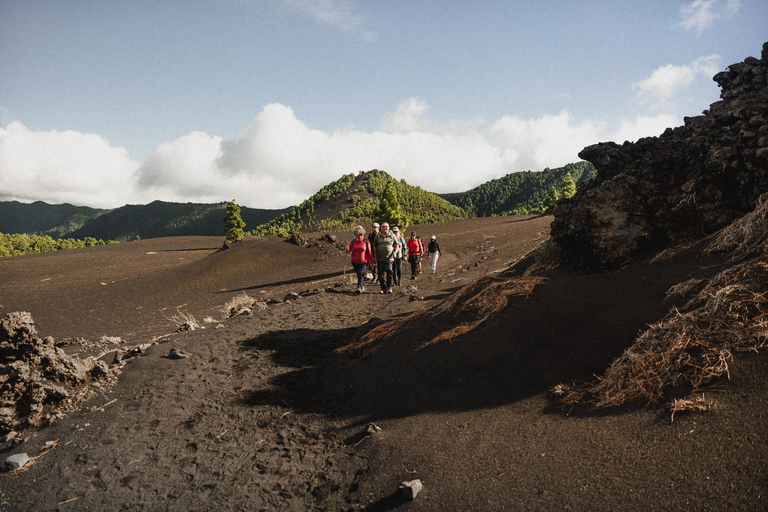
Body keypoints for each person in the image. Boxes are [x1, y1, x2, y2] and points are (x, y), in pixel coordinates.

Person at [372, 222, 398, 293]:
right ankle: (383, 288)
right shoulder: (377, 236)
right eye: (383, 227)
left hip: (389, 258)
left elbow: (396, 245)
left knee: (389, 271)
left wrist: (395, 252)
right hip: (380, 258)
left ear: (389, 227)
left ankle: (389, 287)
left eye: (386, 227)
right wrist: (375, 256)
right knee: (381, 273)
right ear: (381, 228)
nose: (385, 228)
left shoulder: (392, 235)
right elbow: (374, 246)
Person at [346, 225, 372, 293]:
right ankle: (362, 286)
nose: (360, 235)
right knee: (359, 274)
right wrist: (347, 249)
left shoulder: (366, 241)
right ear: (355, 234)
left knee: (361, 273)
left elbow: (369, 252)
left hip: (363, 261)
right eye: (358, 234)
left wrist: (370, 262)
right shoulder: (353, 241)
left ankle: (359, 288)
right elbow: (349, 249)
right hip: (355, 261)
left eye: (361, 234)